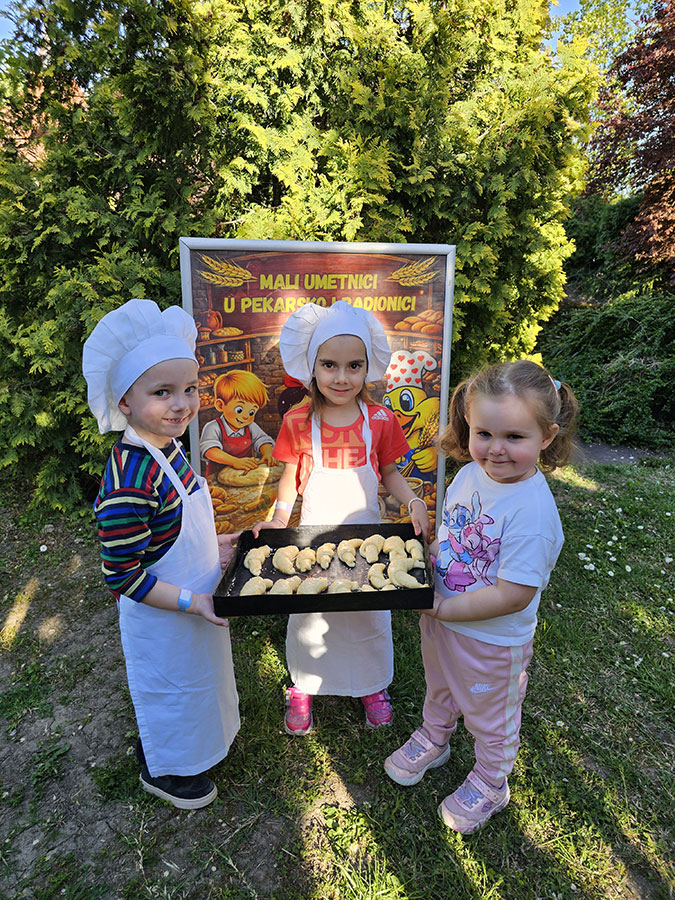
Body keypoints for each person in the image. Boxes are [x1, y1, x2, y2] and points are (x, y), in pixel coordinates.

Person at [384, 360, 578, 834]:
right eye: (484, 433)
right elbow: (456, 533)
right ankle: (435, 736)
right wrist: (434, 553)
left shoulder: (531, 514)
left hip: (491, 641)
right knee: (440, 683)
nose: (495, 449)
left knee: (491, 715)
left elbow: (513, 595)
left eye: (514, 437)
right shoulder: (470, 474)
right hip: (443, 618)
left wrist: (445, 607)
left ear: (547, 437)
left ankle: (492, 780)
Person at [82, 298, 240, 810]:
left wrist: (218, 547)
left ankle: (199, 746)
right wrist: (192, 602)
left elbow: (172, 529)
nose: (181, 404)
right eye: (161, 392)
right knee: (172, 690)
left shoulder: (167, 447)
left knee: (201, 680)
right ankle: (164, 769)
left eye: (189, 389)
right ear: (125, 402)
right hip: (164, 615)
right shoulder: (129, 481)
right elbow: (123, 576)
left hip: (195, 598)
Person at [252, 301, 431, 734]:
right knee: (310, 615)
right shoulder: (298, 421)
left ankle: (371, 684)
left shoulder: (381, 420)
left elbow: (390, 473)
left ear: (368, 368)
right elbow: (290, 478)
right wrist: (279, 519)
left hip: (366, 538)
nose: (342, 377)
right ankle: (304, 684)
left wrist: (413, 502)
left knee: (368, 614)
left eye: (354, 366)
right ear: (311, 367)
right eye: (329, 365)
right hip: (313, 538)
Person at [200, 369, 275, 477]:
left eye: (251, 412)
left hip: (243, 476)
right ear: (220, 405)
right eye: (239, 410)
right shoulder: (213, 427)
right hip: (216, 479)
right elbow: (210, 450)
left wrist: (267, 453)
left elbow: (263, 440)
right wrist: (235, 462)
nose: (245, 416)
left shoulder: (250, 427)